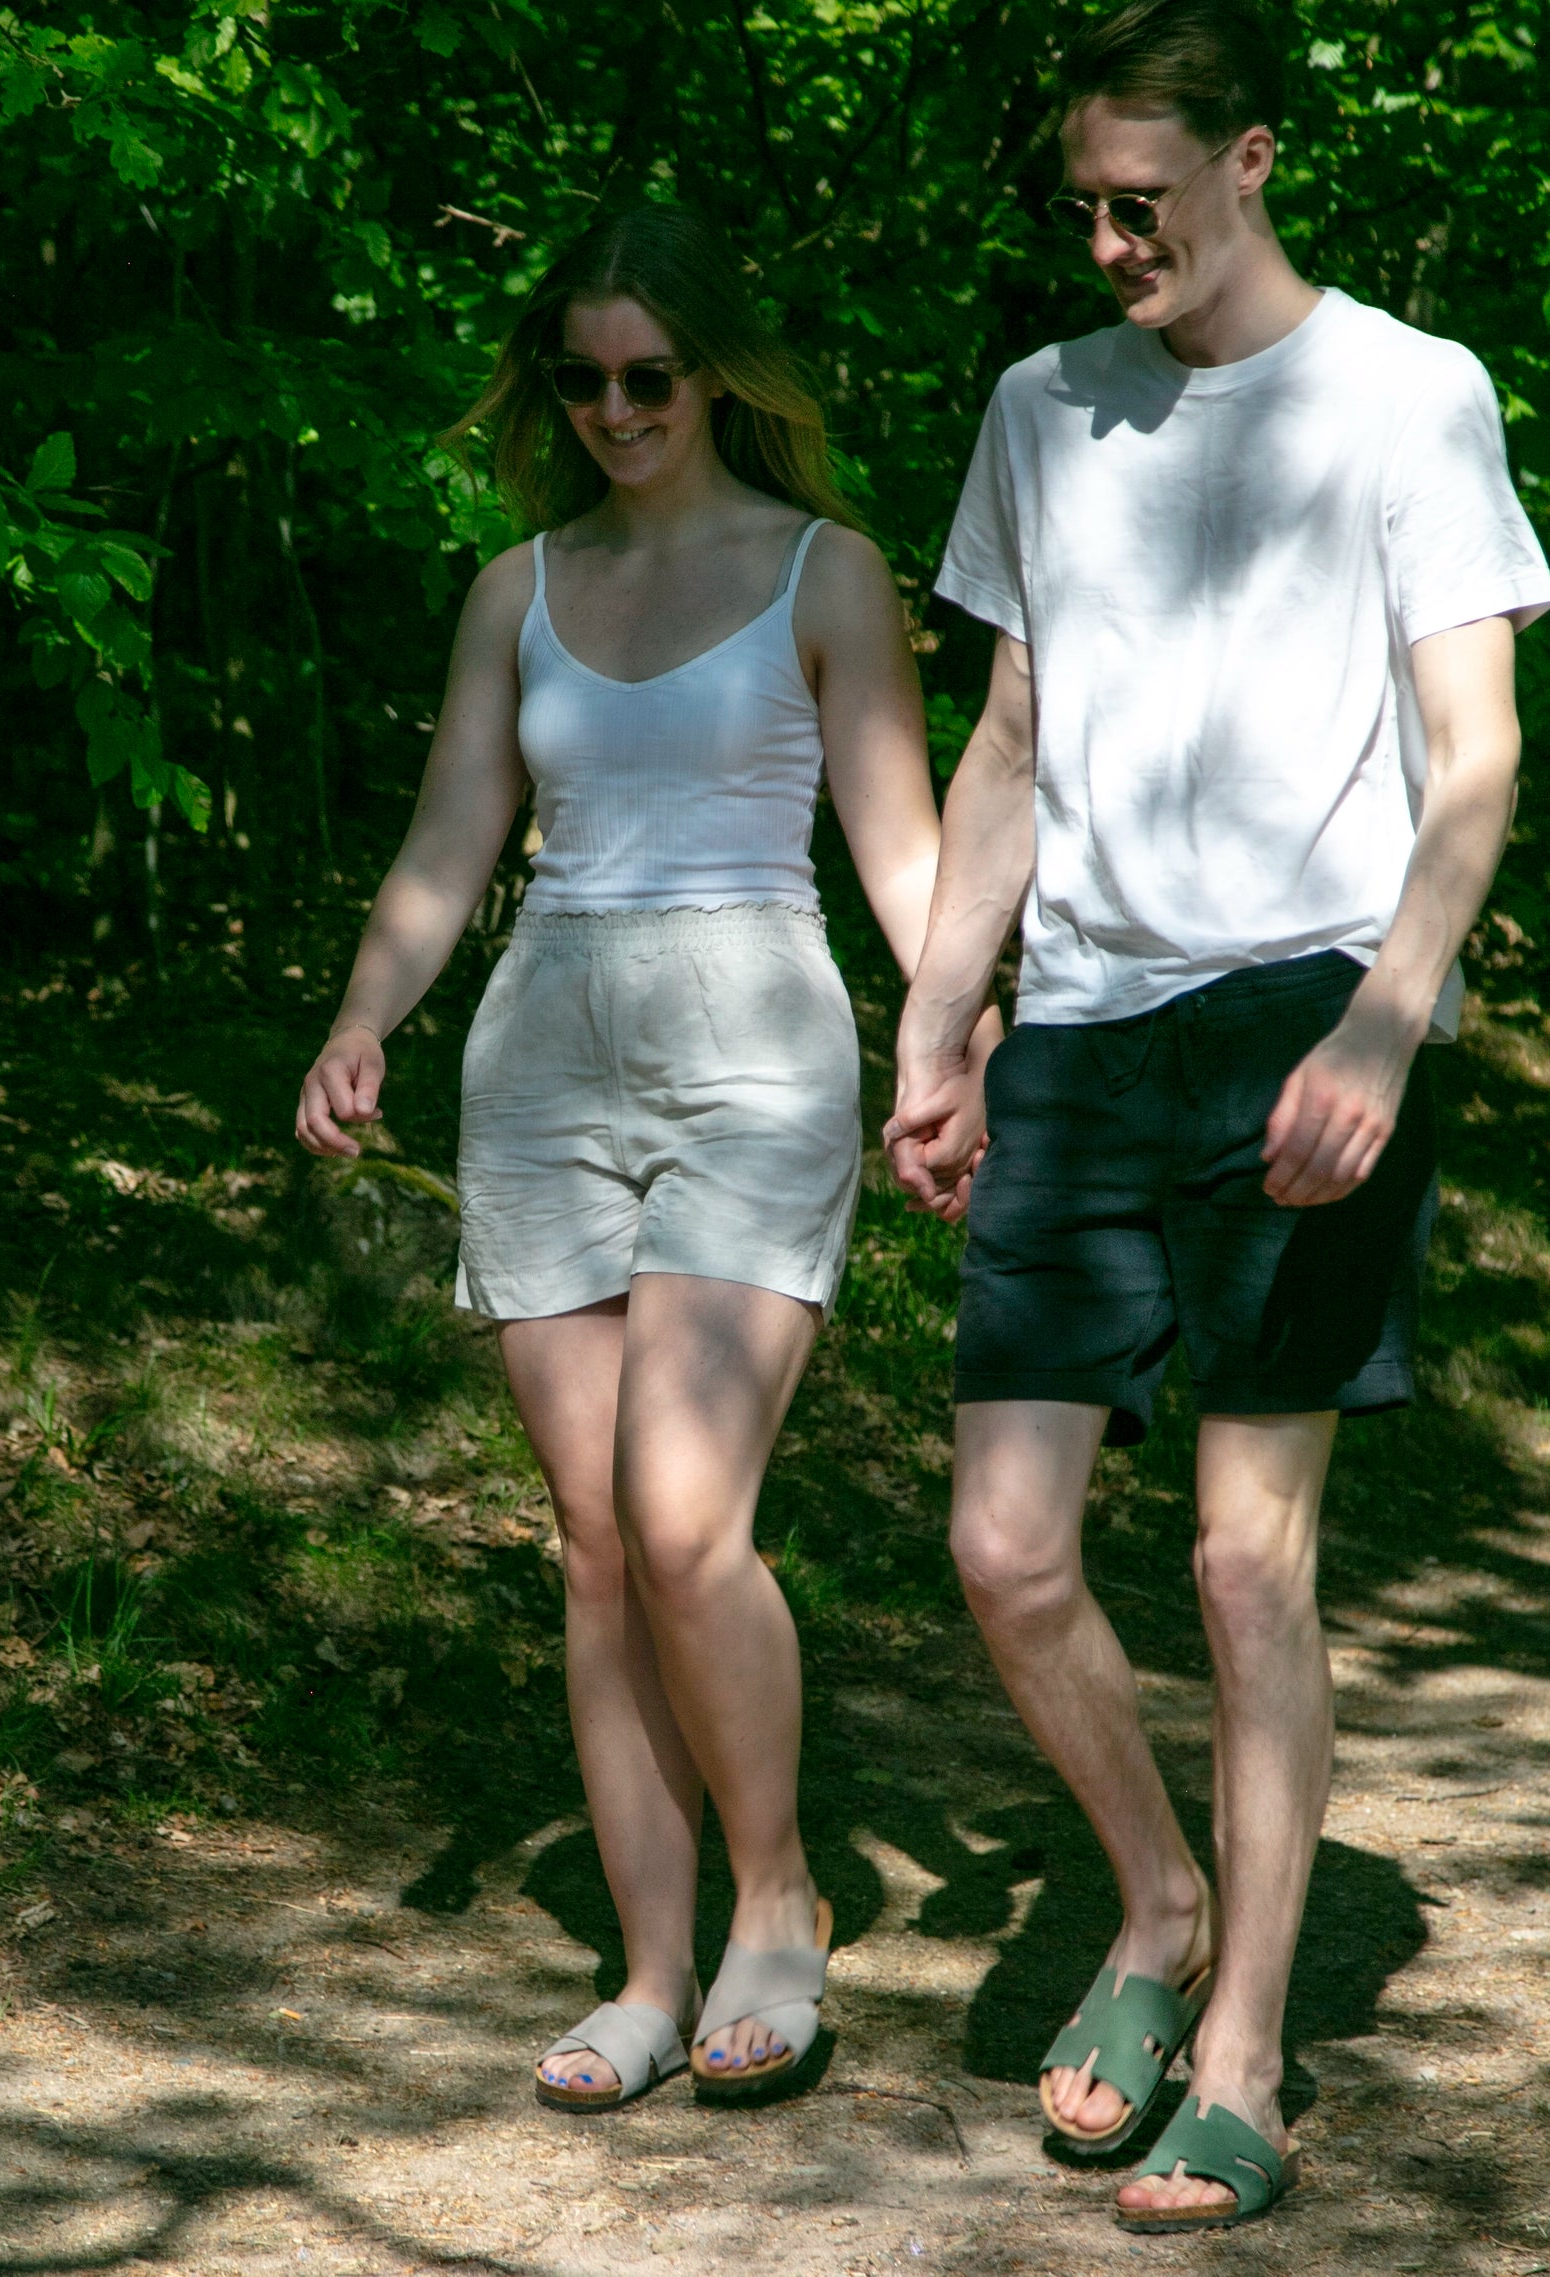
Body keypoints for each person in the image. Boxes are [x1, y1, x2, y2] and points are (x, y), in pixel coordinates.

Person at [888, 0, 1548, 2234]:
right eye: (1082, 203)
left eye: (1142, 201)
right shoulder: (1039, 408)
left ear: (1251, 158)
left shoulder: (1405, 391)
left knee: (1244, 1558)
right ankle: (1153, 1902)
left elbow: (1472, 753)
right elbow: (1003, 739)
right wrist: (937, 1015)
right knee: (1004, 1545)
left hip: (1297, 1014)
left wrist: (1387, 1015)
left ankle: (1248, 2044)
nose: (1107, 242)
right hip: (1075, 1032)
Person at [298, 204, 987, 2108]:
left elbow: (906, 850)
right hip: (539, 1054)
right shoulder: (513, 587)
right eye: (580, 378)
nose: (614, 409)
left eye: (648, 376)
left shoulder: (824, 573)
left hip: (756, 1047)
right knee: (598, 1544)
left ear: (714, 375)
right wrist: (366, 1016)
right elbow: (448, 844)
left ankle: (781, 1904)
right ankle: (651, 1966)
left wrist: (956, 1031)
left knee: (686, 1516)